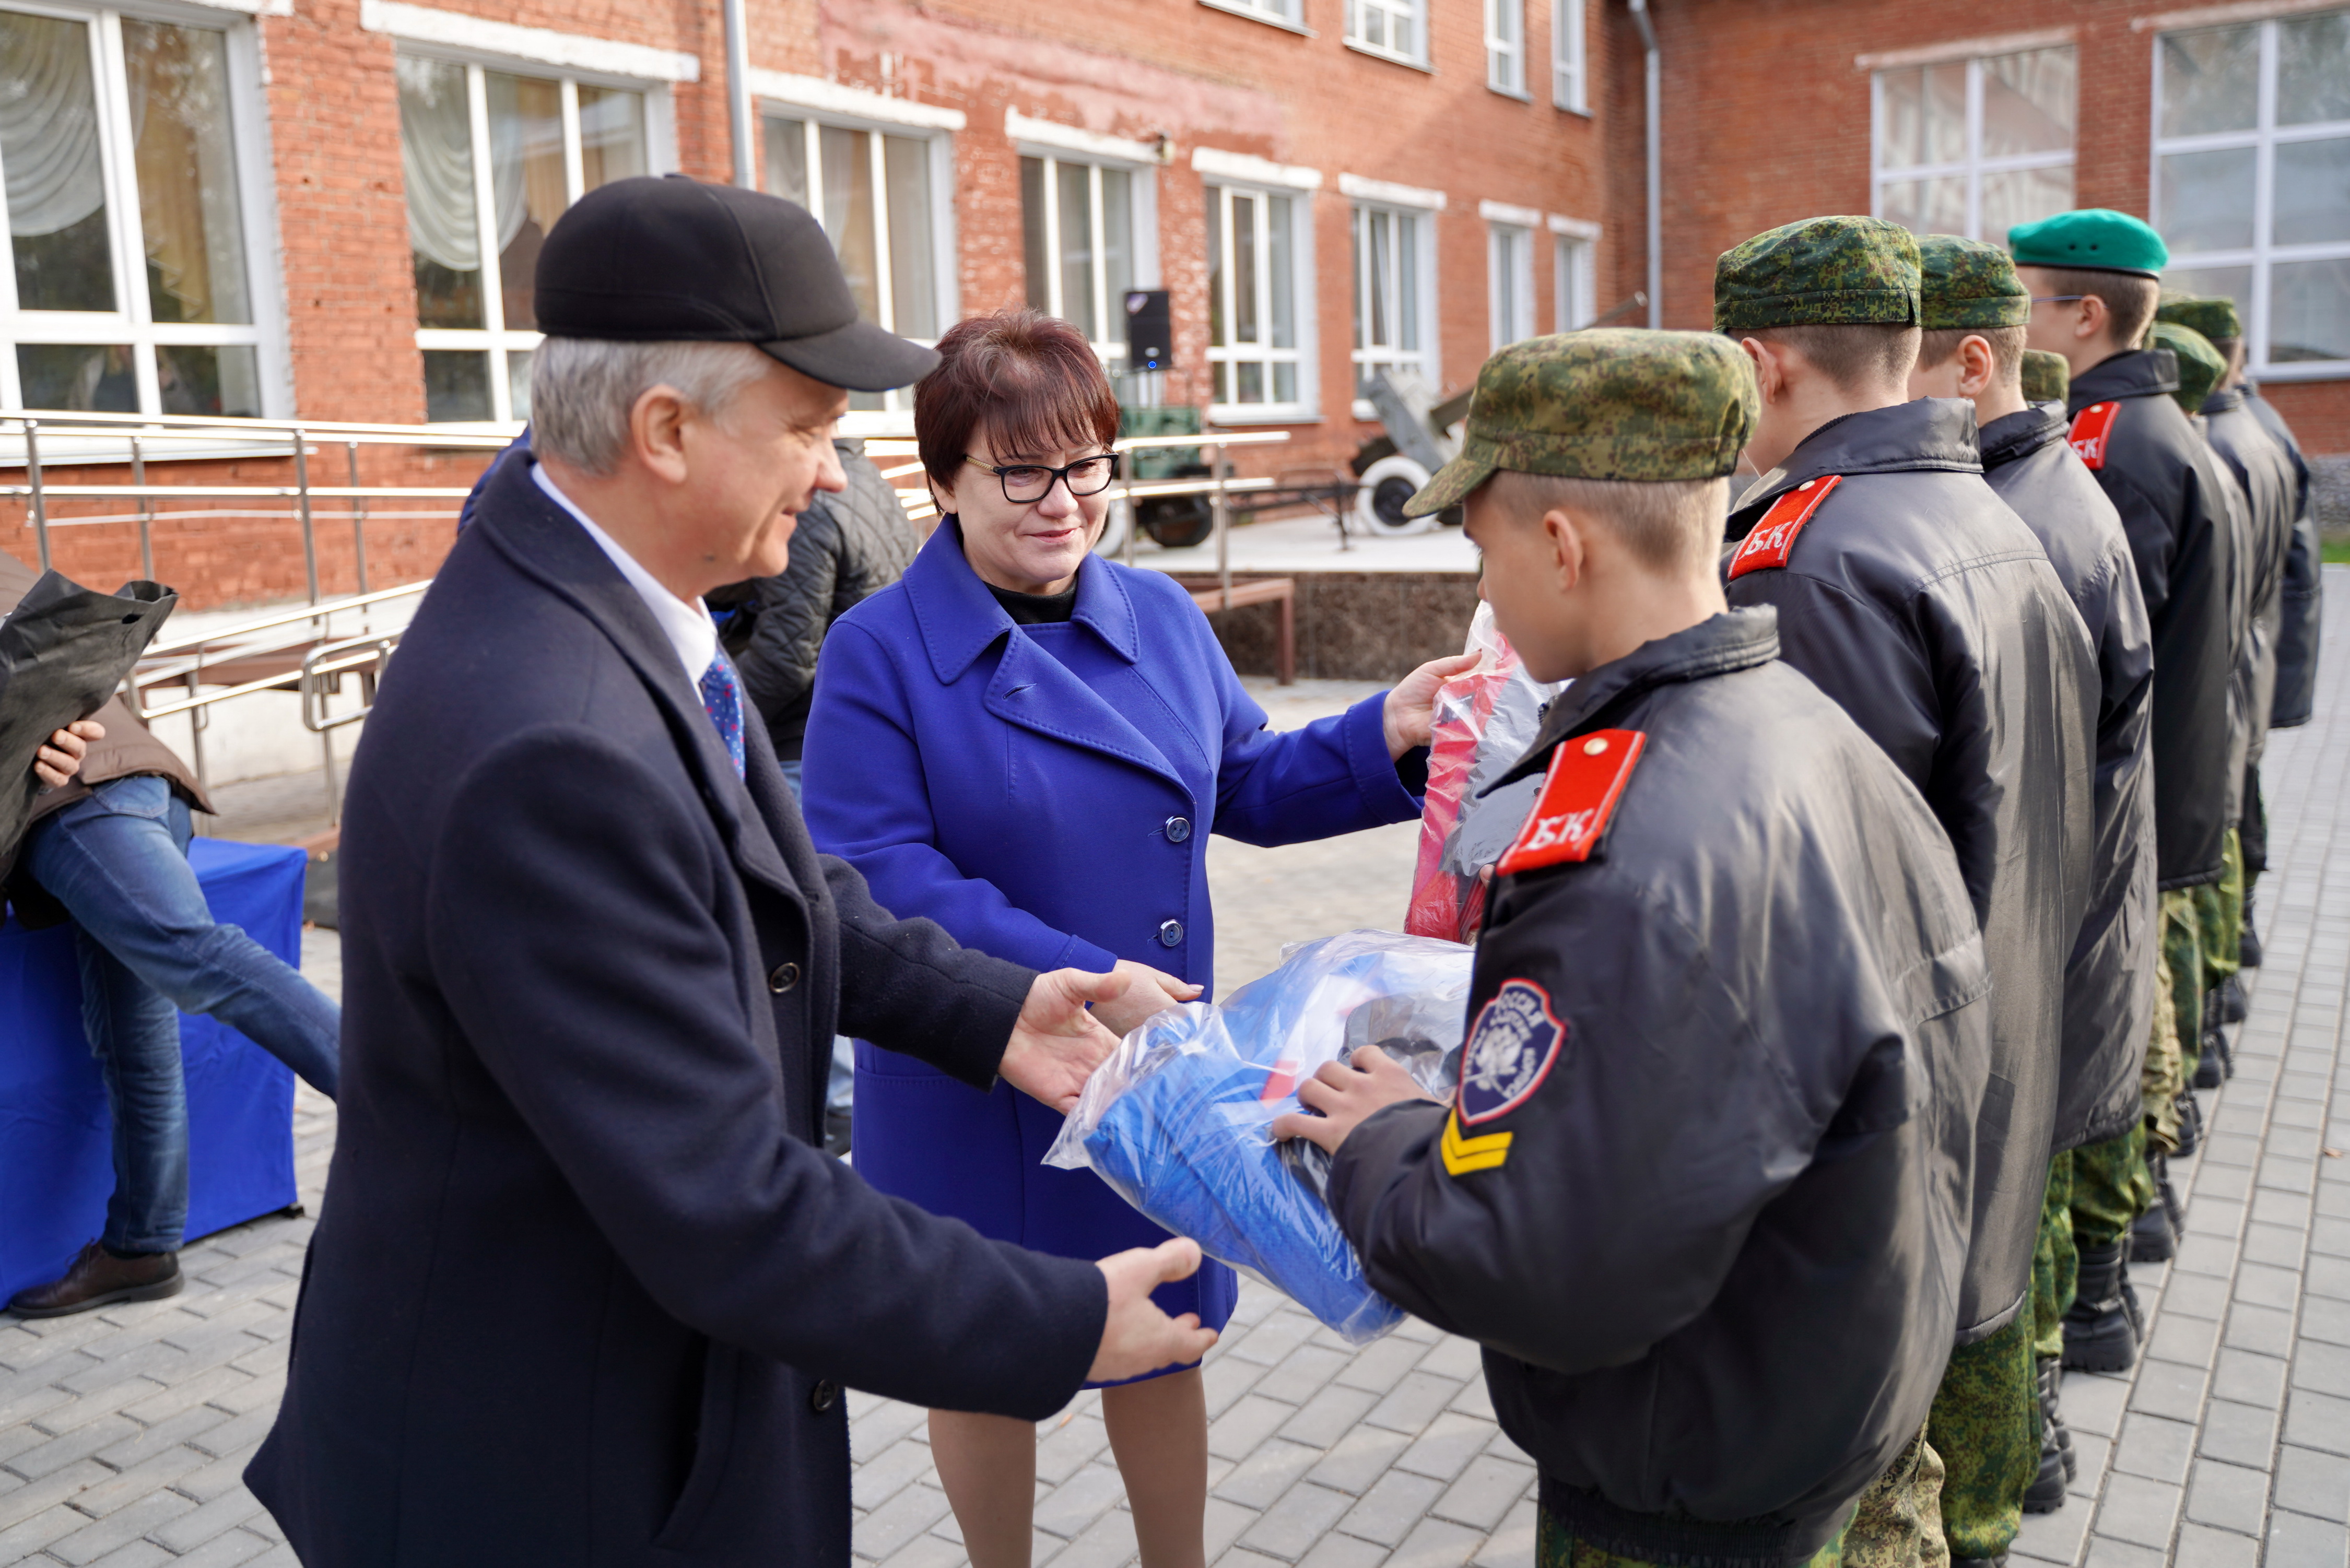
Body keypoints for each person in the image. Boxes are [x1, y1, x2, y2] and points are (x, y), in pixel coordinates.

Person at [242, 178, 1218, 1567]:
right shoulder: (547, 740)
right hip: (551, 1476)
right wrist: (1053, 1319)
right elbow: (726, 1203)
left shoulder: (619, 611)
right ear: (663, 430)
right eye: (810, 428)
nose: (833, 474)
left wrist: (989, 1006)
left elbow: (778, 888)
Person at [1275, 328, 1993, 1568]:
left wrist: (1383, 1140)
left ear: (1563, 545)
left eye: (1484, 547)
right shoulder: (1813, 728)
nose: (1485, 591)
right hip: (1832, 1406)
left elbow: (1542, 1265)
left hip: (1697, 1492)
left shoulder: (1625, 849)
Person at [799, 306, 1467, 1568]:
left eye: (1089, 464)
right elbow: (875, 872)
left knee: (1165, 1331)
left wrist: (1384, 728)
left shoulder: (1156, 615)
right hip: (978, 1063)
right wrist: (1082, 978)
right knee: (990, 1359)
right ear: (941, 478)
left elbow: (1247, 781)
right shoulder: (877, 649)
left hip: (1159, 1076)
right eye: (1022, 471)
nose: (1064, 501)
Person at [1714, 216, 2098, 1568]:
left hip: (1897, 1133)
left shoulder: (1810, 562)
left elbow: (1829, 902)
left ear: (1762, 364)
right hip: (2000, 1054)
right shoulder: (1990, 509)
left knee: (1886, 1499)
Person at [1905, 235, 2159, 1510]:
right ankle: (2035, 1435)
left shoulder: (2031, 522)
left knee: (2020, 1244)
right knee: (2030, 1228)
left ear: (1966, 362)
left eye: (1895, 365)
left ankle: (2020, 1463)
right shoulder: (2043, 494)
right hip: (2058, 952)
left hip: (2038, 964)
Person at [3, 552, 342, 1319]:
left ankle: (420, 1109)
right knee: (136, 1035)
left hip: (82, 804)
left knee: (196, 957)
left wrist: (43, 731)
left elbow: (43, 676)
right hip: (129, 787)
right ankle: (141, 1248)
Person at [2013, 209, 2239, 1176]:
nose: (2014, 329)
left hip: (2125, 807)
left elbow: (2103, 669)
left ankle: (2108, 1275)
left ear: (2086, 315)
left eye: (2026, 306)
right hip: (2166, 786)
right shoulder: (2162, 429)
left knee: (2120, 1047)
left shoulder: (2114, 453)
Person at [2156, 296, 2296, 1046]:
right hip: (2245, 673)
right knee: (2228, 844)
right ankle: (2220, 994)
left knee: (2201, 875)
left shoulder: (2220, 449)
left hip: (2218, 686)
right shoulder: (2256, 436)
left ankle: (2206, 1022)